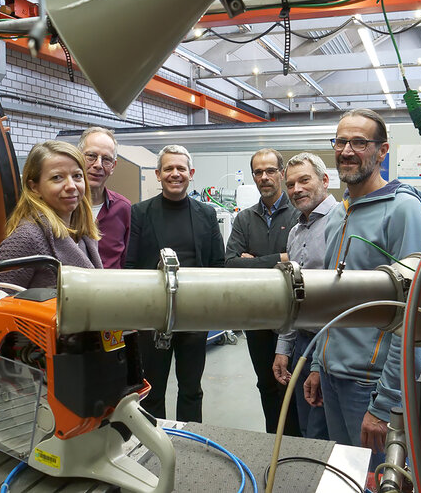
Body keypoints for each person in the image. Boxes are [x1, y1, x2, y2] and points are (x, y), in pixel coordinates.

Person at [303, 109, 421, 468]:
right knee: (347, 476)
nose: (346, 150)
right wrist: (317, 363)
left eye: (359, 142)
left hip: (371, 386)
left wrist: (388, 401)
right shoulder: (338, 215)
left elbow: (414, 316)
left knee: (376, 481)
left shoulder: (403, 211)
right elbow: (333, 301)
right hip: (332, 377)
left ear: (382, 150)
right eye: (341, 141)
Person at [125, 145, 225, 422]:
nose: (175, 173)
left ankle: (191, 439)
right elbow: (130, 264)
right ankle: (155, 442)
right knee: (152, 391)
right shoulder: (140, 213)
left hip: (194, 315)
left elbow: (218, 264)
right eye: (168, 168)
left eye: (181, 168)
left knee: (192, 389)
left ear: (191, 173)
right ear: (158, 174)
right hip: (154, 316)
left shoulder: (206, 213)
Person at [225, 148, 301, 436]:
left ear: (281, 173)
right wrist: (279, 258)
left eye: (270, 171)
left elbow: (299, 261)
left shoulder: (298, 212)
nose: (264, 177)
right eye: (259, 172)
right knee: (266, 384)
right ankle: (274, 443)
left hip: (291, 316)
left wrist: (255, 261)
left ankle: (295, 443)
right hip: (257, 316)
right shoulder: (245, 218)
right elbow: (231, 263)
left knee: (292, 385)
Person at [271, 152, 336, 440]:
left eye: (304, 180)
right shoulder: (296, 232)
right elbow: (292, 297)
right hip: (302, 344)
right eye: (291, 184)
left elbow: (341, 301)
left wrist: (320, 362)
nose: (296, 189)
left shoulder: (343, 223)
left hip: (334, 344)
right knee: (308, 428)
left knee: (329, 434)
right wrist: (283, 347)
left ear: (324, 180)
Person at [0, 140, 102, 288]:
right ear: (34, 187)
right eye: (57, 177)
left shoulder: (85, 234)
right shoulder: (27, 238)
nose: (71, 186)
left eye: (77, 176)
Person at [78, 126, 131, 269]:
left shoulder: (123, 209)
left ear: (113, 166)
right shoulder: (63, 206)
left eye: (106, 159)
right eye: (91, 156)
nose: (98, 165)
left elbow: (128, 261)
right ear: (78, 157)